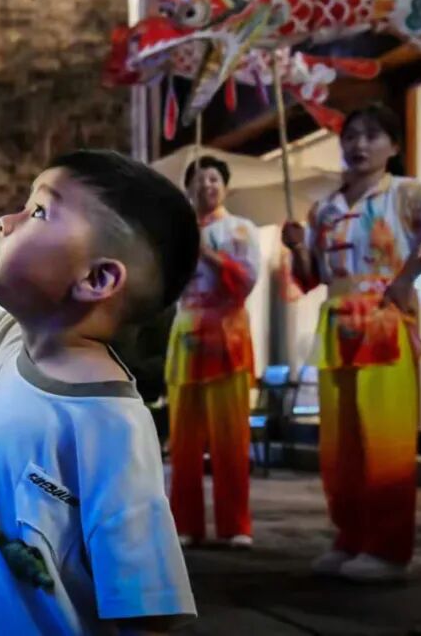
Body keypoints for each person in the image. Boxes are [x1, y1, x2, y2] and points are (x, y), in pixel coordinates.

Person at [0, 79, 198, 633]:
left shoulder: (113, 425)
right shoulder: (2, 342)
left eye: (38, 211)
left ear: (97, 279)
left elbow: (150, 610)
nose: (5, 221)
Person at [282, 104, 421, 583]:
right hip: (337, 328)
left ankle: (387, 550)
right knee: (340, 445)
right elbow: (312, 277)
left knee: (384, 440)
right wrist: (297, 247)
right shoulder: (324, 209)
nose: (359, 145)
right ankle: (350, 537)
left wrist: (409, 274)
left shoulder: (408, 195)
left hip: (385, 324)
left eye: (372, 135)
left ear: (394, 146)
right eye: (351, 136)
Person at [166, 156, 260, 549]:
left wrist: (208, 254)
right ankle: (185, 523)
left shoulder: (241, 229)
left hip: (227, 337)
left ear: (225, 186)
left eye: (214, 178)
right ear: (188, 189)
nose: (207, 185)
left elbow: (246, 280)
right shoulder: (177, 235)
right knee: (184, 441)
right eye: (200, 179)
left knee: (231, 439)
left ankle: (235, 525)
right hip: (187, 337)